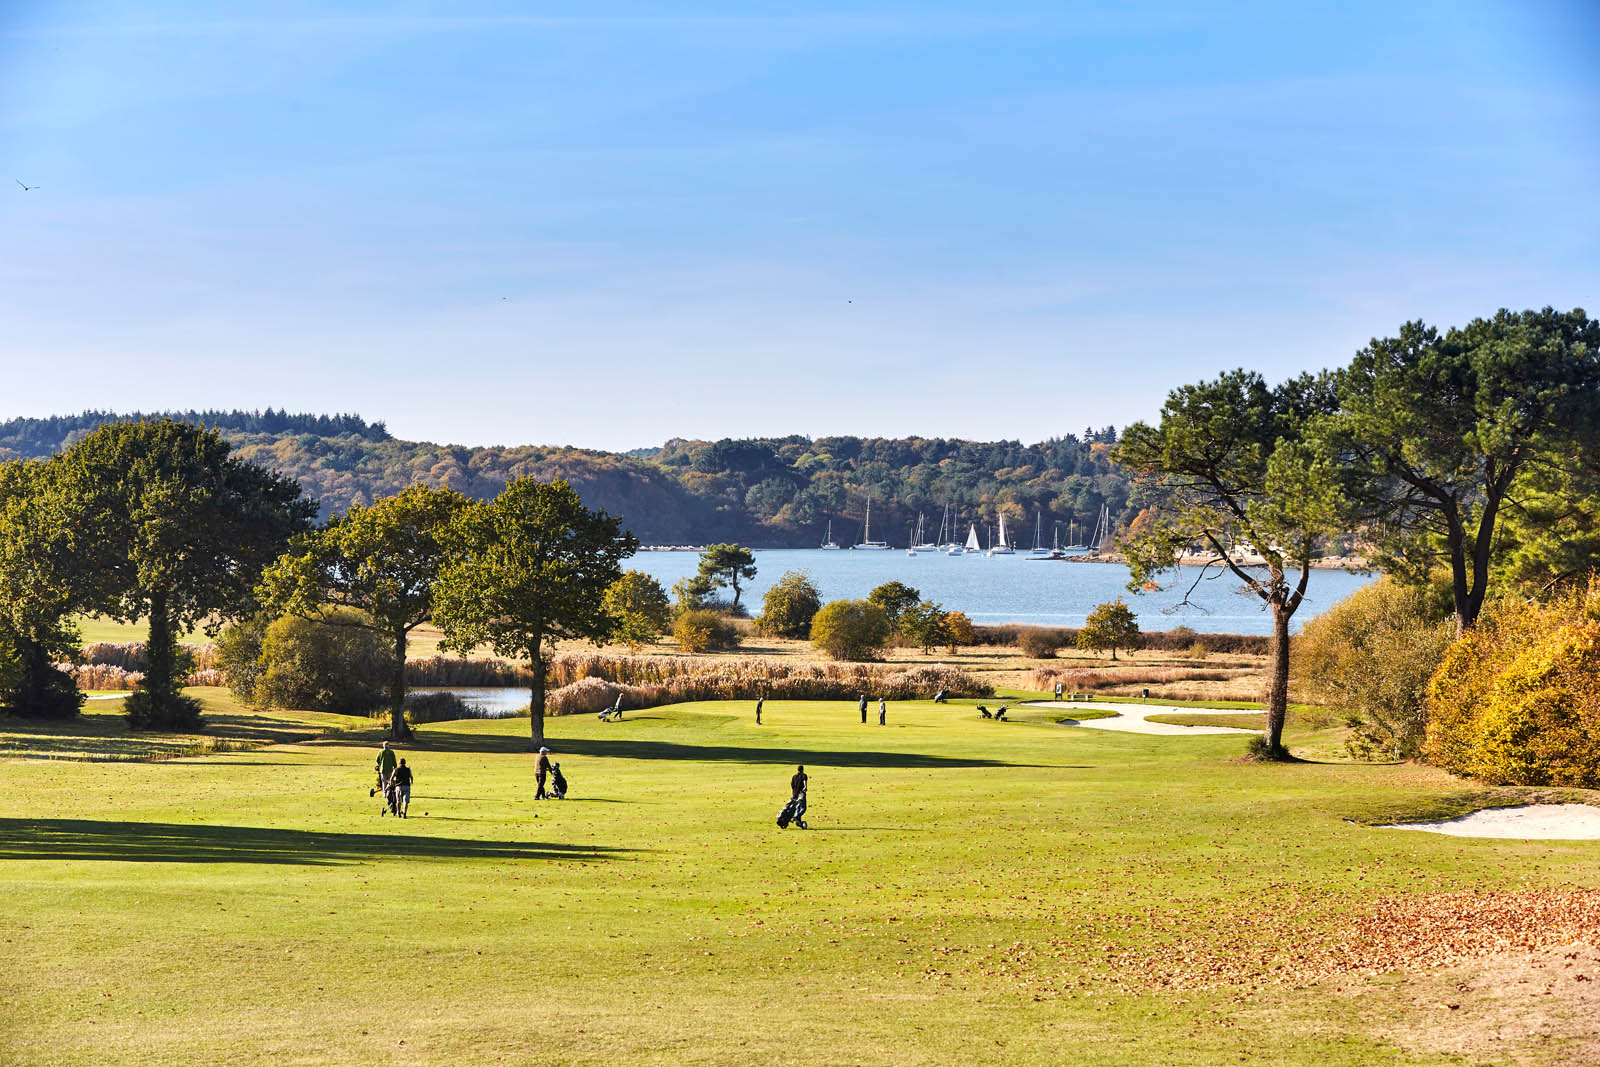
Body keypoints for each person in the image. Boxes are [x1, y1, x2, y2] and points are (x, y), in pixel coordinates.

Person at [374, 740, 398, 814]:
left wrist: (380, 764)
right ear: (389, 745)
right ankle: (390, 792)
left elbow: (377, 760)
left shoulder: (381, 752)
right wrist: (395, 767)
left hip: (382, 769)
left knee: (383, 781)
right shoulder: (391, 752)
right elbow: (394, 761)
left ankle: (385, 792)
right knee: (390, 781)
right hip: (390, 769)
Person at [789, 764, 809, 829]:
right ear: (803, 770)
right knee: (804, 808)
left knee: (798, 807)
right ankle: (797, 817)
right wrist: (805, 786)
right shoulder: (804, 775)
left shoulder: (794, 776)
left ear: (797, 770)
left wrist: (794, 793)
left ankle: (799, 822)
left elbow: (792, 785)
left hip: (795, 794)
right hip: (801, 794)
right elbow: (804, 780)